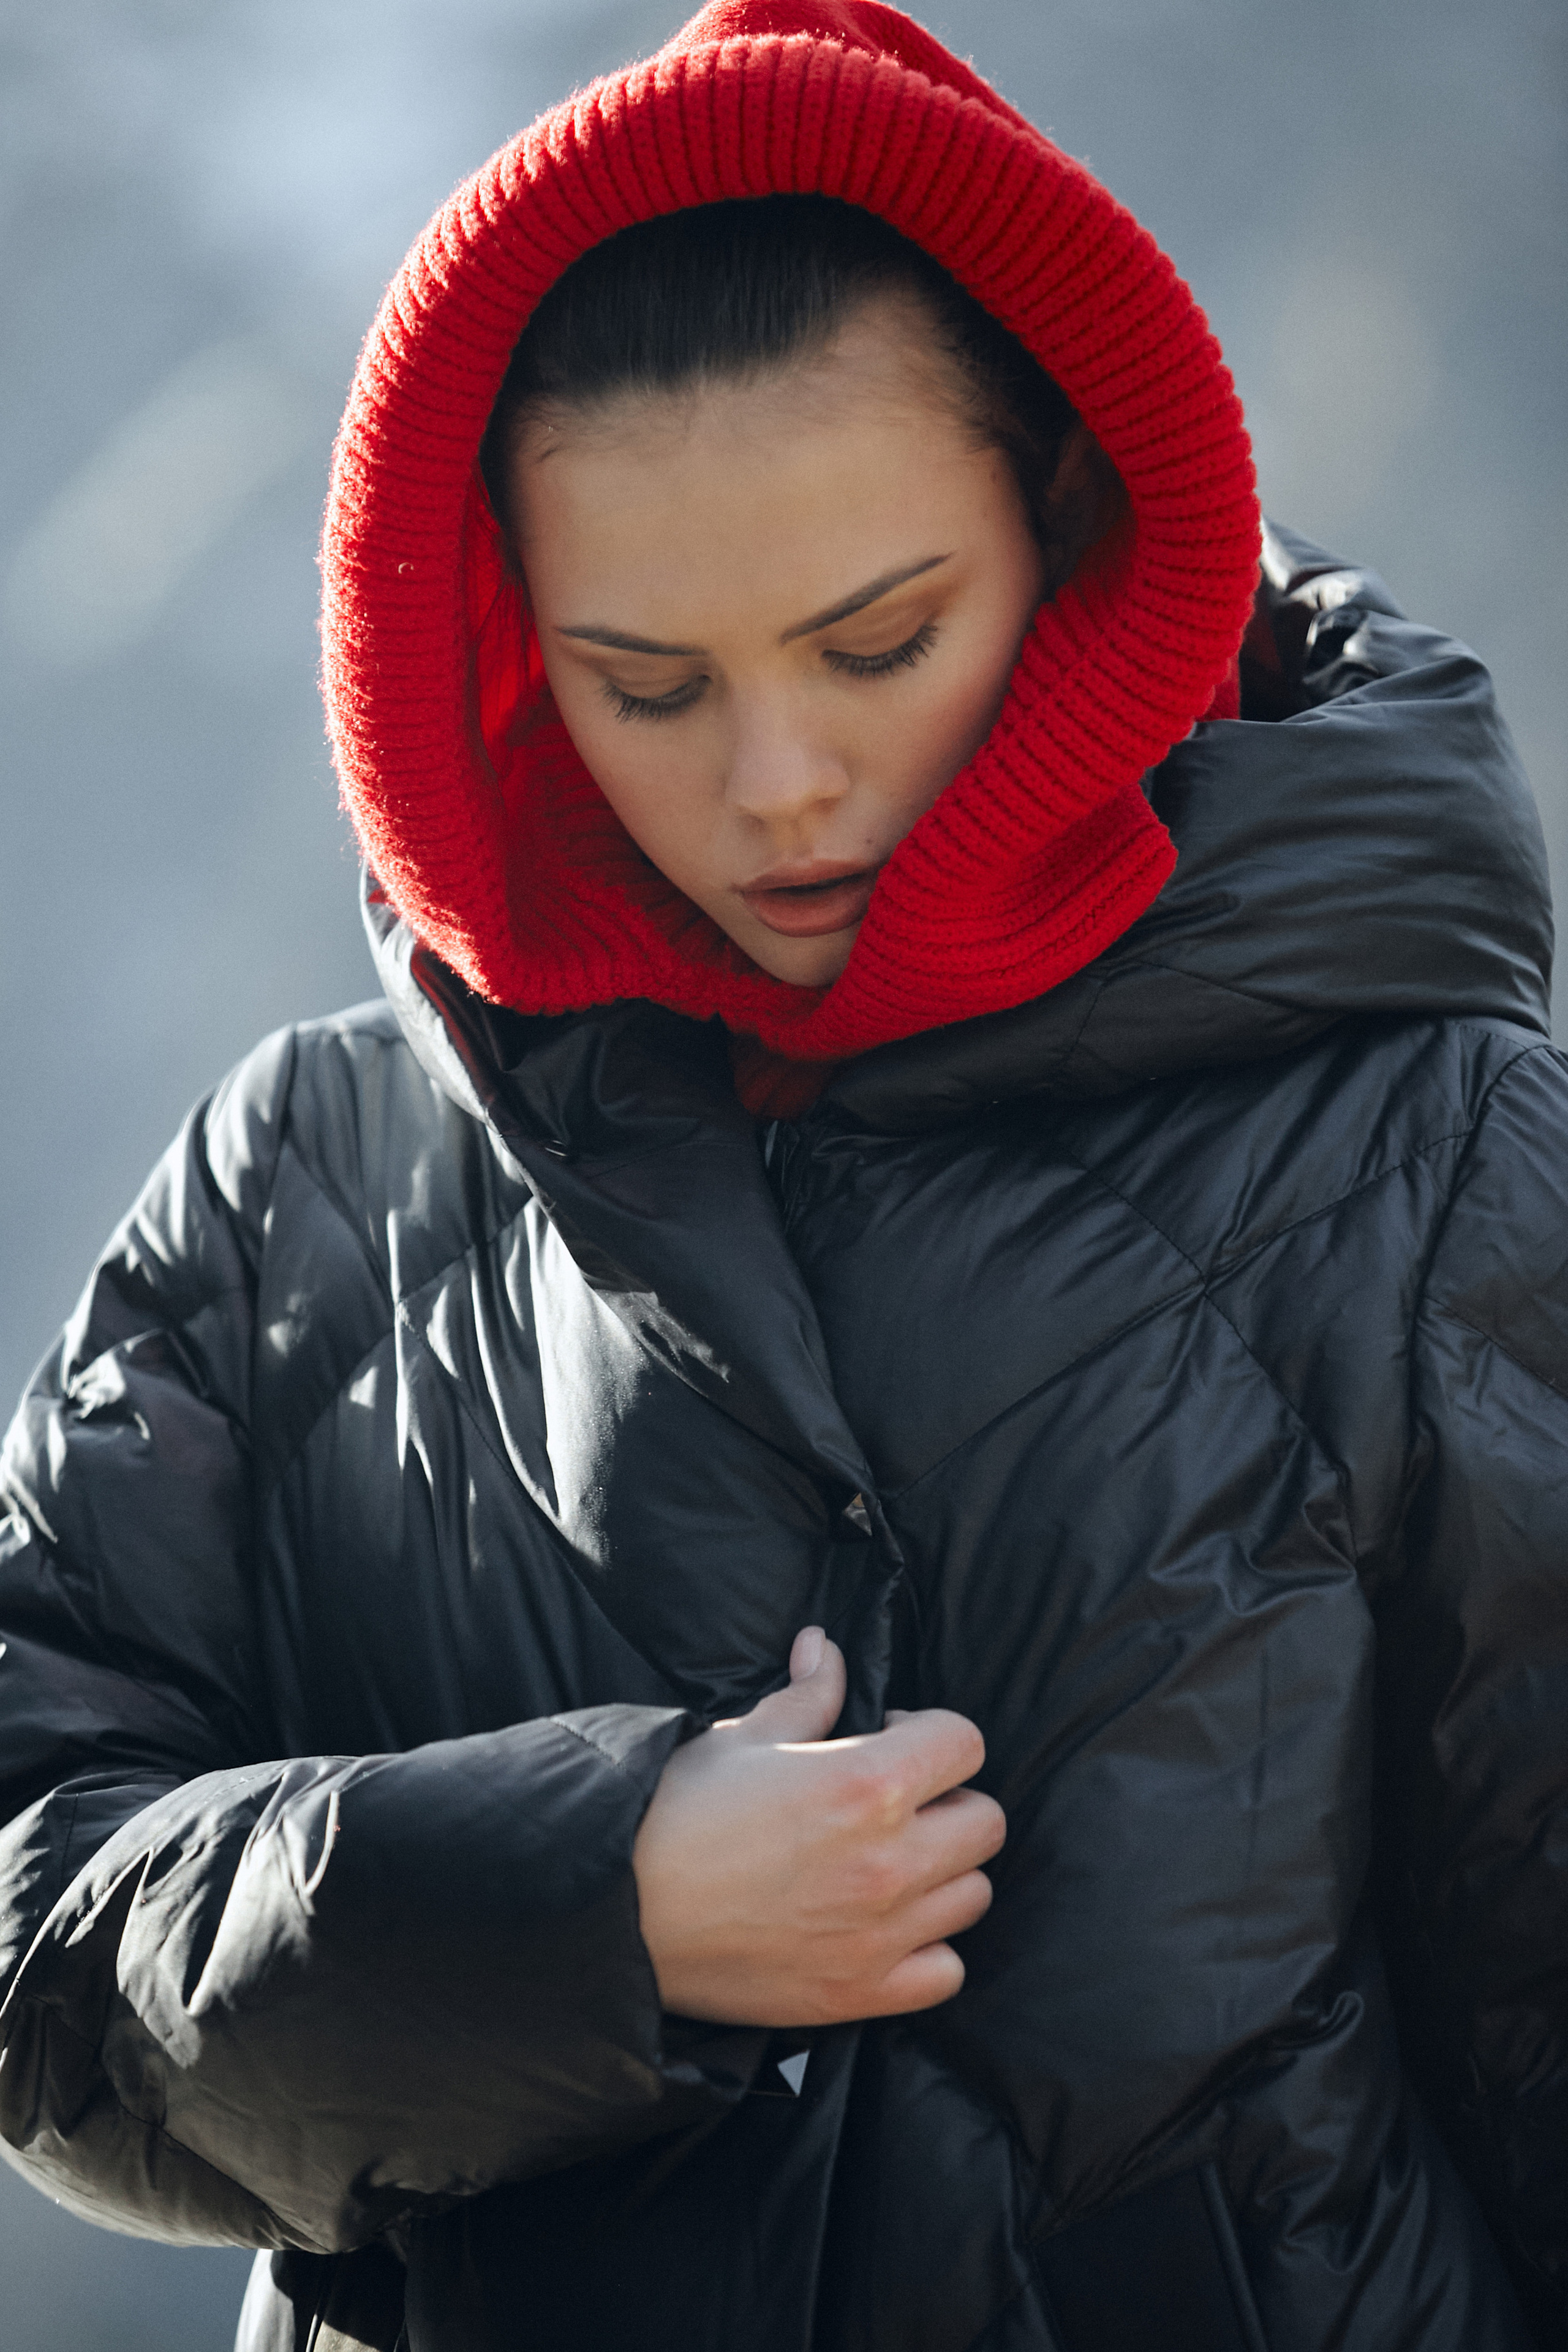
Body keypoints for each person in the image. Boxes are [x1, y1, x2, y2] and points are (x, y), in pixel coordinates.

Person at [0, 2, 1564, 2347]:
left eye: (878, 642)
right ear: (505, 648)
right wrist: (578, 1907)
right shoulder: (299, 1189)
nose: (779, 784)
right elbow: (29, 1929)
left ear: (1071, 531)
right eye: (647, 685)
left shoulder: (1427, 1157)